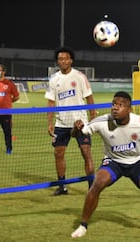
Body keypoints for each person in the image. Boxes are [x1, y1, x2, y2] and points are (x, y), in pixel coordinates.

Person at [70, 91, 140, 238]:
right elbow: (77, 134)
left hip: (137, 162)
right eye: (113, 104)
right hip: (113, 162)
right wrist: (75, 128)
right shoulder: (102, 122)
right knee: (97, 184)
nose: (115, 108)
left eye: (120, 105)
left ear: (129, 108)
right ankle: (83, 225)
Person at [45, 46, 96, 195]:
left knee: (86, 153)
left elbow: (90, 98)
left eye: (66, 58)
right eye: (60, 59)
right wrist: (49, 122)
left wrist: (92, 119)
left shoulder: (80, 76)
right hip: (61, 124)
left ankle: (92, 187)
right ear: (57, 61)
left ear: (71, 60)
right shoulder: (54, 79)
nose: (63, 61)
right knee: (58, 154)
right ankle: (62, 186)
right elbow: (50, 102)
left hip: (80, 123)